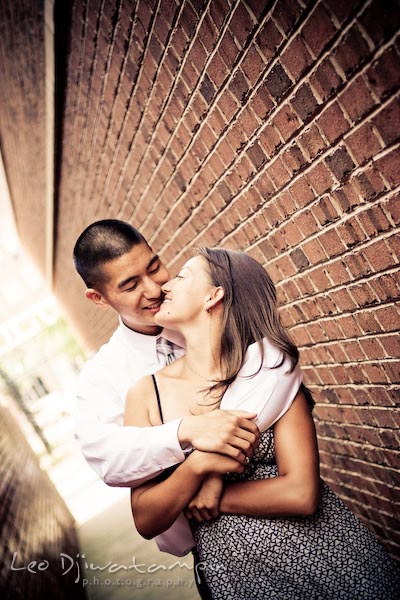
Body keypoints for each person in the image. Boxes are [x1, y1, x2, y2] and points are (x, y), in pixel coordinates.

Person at [124, 247, 400, 600]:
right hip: (239, 575)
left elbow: (301, 494)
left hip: (325, 556)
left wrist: (214, 494)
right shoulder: (147, 395)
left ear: (213, 296)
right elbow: (146, 519)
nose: (165, 286)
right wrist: (198, 468)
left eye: (182, 276)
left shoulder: (271, 376)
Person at [73, 220, 300, 490]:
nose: (155, 289)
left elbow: (277, 363)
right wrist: (186, 431)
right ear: (99, 298)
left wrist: (211, 468)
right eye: (131, 286)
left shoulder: (216, 322)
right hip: (189, 529)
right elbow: (110, 462)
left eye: (154, 268)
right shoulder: (101, 376)